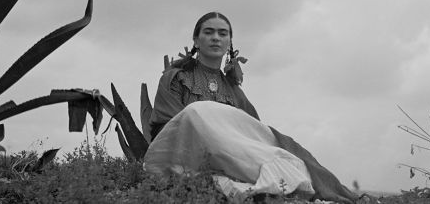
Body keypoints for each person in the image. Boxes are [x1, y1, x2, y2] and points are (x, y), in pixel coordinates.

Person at [144, 12, 358, 203]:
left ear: (229, 43)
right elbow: (167, 129)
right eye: (209, 32)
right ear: (196, 41)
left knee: (293, 164)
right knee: (195, 112)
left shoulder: (234, 90)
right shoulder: (176, 78)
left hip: (229, 159)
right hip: (184, 155)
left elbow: (251, 135)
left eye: (222, 33)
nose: (216, 38)